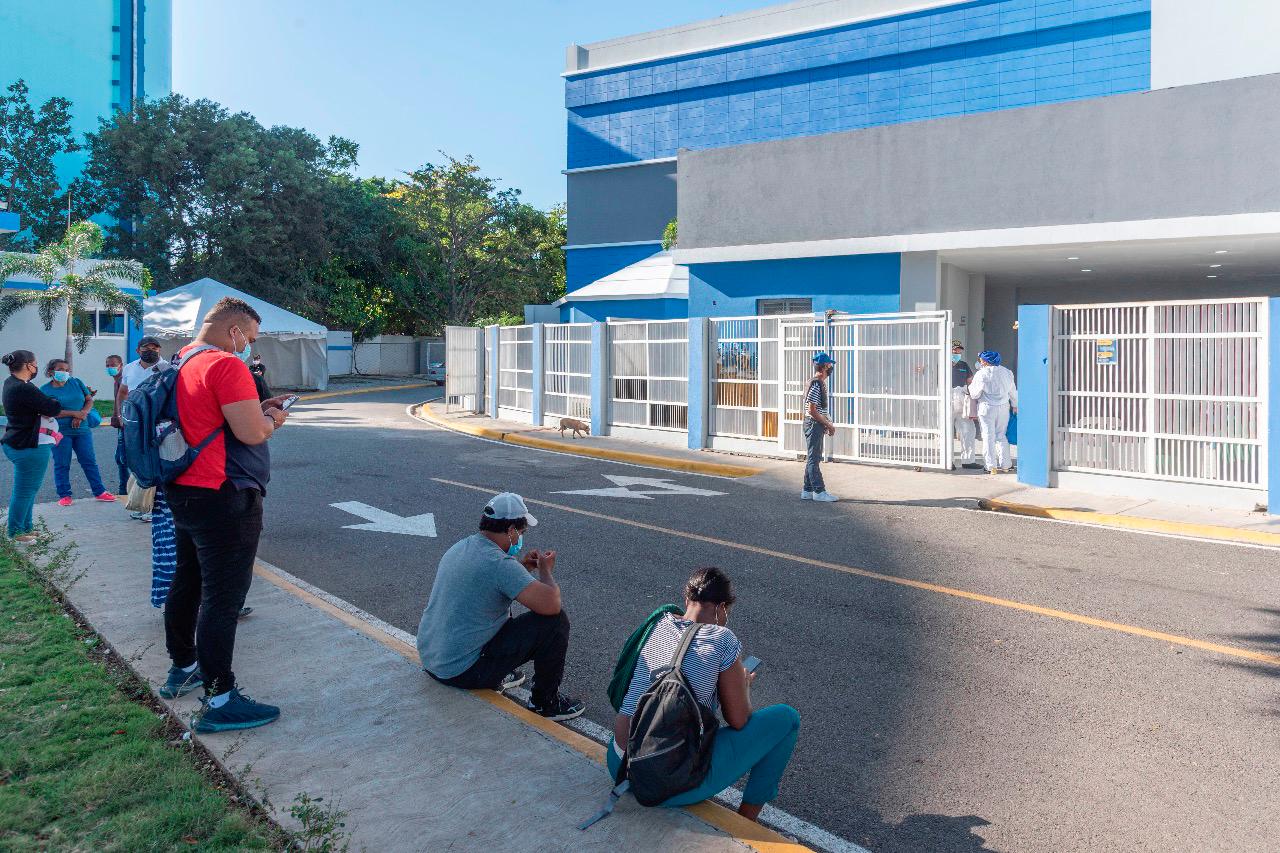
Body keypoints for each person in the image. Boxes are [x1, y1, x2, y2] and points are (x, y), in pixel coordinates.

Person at [157, 297, 290, 731]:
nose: (249, 347)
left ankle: (183, 669)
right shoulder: (226, 365)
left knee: (188, 580)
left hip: (184, 489)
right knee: (223, 599)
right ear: (234, 330)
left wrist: (260, 411)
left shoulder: (182, 359)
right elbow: (251, 432)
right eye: (248, 338)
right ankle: (220, 701)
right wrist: (274, 421)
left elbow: (212, 419)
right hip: (225, 494)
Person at [608, 567, 801, 823]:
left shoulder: (658, 623)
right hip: (661, 785)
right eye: (727, 612)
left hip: (619, 763)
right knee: (787, 719)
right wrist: (743, 686)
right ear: (722, 608)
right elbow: (739, 720)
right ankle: (746, 821)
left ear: (687, 599)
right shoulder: (723, 639)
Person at [417, 492, 585, 721]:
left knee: (499, 609)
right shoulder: (499, 565)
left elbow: (494, 588)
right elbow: (551, 605)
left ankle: (497, 670)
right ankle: (546, 703)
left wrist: (522, 568)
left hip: (434, 660)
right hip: (461, 672)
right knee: (556, 623)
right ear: (511, 530)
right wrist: (546, 571)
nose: (521, 539)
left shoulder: (462, 547)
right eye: (522, 533)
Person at [1, 350, 92, 542]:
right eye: (34, 364)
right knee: (25, 490)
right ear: (28, 365)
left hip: (19, 441)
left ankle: (26, 527)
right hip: (29, 445)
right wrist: (52, 403)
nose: (36, 367)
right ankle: (16, 532)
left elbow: (45, 405)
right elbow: (52, 408)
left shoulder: (12, 383)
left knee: (29, 489)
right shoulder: (25, 388)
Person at [39, 359, 115, 506]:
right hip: (60, 432)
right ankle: (64, 495)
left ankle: (99, 491)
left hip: (82, 430)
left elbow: (89, 400)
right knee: (62, 463)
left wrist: (82, 414)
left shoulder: (77, 382)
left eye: (67, 370)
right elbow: (47, 412)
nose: (65, 372)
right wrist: (74, 414)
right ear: (51, 371)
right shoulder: (45, 390)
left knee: (89, 461)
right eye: (61, 369)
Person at [119, 337, 171, 520]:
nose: (151, 350)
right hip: (134, 424)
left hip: (158, 423)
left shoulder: (167, 369)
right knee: (137, 461)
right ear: (137, 350)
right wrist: (120, 415)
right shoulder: (129, 368)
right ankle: (141, 504)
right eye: (146, 347)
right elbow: (123, 392)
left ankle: (153, 508)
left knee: (155, 462)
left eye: (155, 347)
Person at [969, 350, 1018, 474]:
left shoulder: (981, 374)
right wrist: (1015, 405)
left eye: (981, 359)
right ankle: (1006, 465)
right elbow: (1013, 392)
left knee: (988, 437)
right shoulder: (1007, 372)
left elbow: (974, 394)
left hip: (986, 409)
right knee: (1001, 436)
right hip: (1003, 409)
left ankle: (991, 467)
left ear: (985, 361)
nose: (980, 361)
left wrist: (969, 387)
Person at [800, 352, 838, 502]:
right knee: (814, 458)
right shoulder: (816, 383)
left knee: (812, 457)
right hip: (814, 424)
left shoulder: (817, 382)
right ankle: (819, 491)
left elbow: (816, 409)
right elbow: (812, 409)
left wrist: (826, 422)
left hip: (815, 423)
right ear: (824, 367)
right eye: (829, 365)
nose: (831, 368)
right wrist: (827, 424)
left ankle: (807, 490)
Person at [950, 341, 982, 470]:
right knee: (945, 431)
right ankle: (947, 461)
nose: (957, 353)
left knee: (968, 430)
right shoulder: (940, 362)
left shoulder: (964, 365)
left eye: (959, 350)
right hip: (946, 397)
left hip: (962, 399)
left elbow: (970, 381)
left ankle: (968, 461)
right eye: (955, 350)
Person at [104, 354, 129, 494]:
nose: (110, 368)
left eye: (113, 365)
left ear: (121, 365)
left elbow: (123, 401)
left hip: (126, 423)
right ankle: (124, 488)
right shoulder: (117, 381)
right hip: (122, 423)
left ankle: (124, 490)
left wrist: (118, 416)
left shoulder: (123, 380)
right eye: (107, 365)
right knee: (120, 458)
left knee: (122, 458)